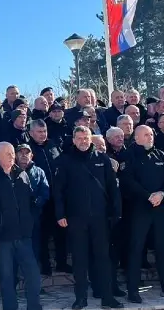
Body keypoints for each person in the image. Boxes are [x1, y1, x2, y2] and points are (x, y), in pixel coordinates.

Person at [55, 126, 123, 309]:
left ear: (90, 139)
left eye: (86, 138)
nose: (83, 141)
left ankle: (107, 297)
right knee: (79, 260)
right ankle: (81, 298)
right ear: (74, 140)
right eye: (79, 138)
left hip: (100, 218)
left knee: (103, 258)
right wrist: (60, 214)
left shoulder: (102, 159)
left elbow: (112, 188)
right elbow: (59, 190)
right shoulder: (66, 161)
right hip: (76, 218)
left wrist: (116, 211)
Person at [120, 125, 164, 301]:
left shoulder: (160, 154)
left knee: (163, 247)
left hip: (160, 208)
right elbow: (128, 181)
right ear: (137, 138)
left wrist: (161, 194)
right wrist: (148, 196)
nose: (150, 137)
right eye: (146, 135)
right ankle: (133, 290)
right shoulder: (129, 154)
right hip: (139, 208)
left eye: (151, 134)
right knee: (136, 248)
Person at [0, 142, 44, 310]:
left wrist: (30, 222)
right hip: (2, 238)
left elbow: (30, 202)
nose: (11, 156)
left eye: (12, 153)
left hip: (24, 236)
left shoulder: (22, 174)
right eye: (7, 153)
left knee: (33, 275)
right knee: (7, 279)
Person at [27, 120, 66, 275]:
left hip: (57, 196)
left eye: (44, 131)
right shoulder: (28, 149)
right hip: (41, 197)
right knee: (42, 234)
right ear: (31, 133)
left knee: (61, 232)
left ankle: (62, 263)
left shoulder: (53, 145)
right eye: (39, 132)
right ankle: (45, 266)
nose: (43, 134)